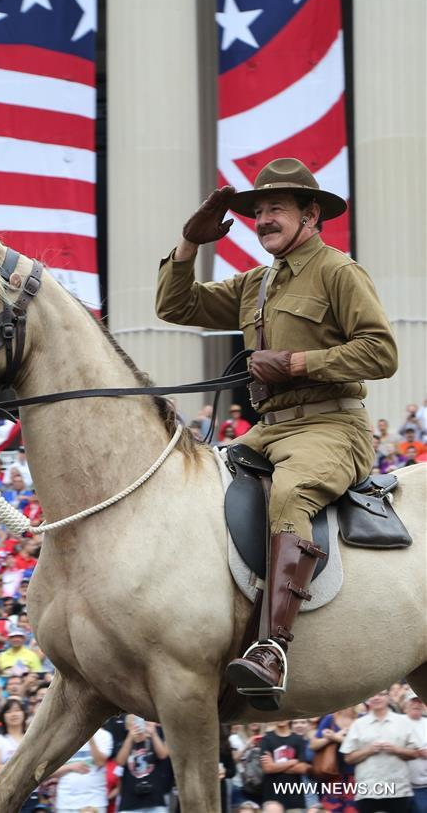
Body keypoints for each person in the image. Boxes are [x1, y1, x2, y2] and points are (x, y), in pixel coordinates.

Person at [156, 158, 398, 700]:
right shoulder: (256, 284)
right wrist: (189, 245)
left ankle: (273, 649)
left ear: (310, 214)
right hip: (267, 431)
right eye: (258, 211)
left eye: (276, 209)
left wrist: (293, 365)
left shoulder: (339, 271)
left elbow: (382, 353)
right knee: (198, 481)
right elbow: (176, 306)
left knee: (289, 496)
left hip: (332, 427)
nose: (263, 219)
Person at [340, 690, 420, 813]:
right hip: (367, 790)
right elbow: (348, 758)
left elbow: (415, 753)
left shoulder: (403, 722)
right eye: (372, 695)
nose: (376, 698)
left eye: (381, 694)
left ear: (388, 697)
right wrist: (368, 750)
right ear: (367, 699)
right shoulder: (359, 724)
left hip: (398, 789)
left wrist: (396, 749)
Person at [115, 715, 172, 812]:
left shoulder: (154, 739)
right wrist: (130, 737)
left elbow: (163, 755)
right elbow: (120, 761)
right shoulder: (125, 741)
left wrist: (153, 733)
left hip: (155, 800)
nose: (139, 726)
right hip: (129, 802)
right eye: (135, 723)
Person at [54, 726, 113, 813]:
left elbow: (100, 762)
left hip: (94, 802)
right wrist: (70, 767)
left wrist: (90, 737)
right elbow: (50, 772)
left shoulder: (104, 735)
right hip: (66, 802)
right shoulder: (62, 737)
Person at [259, 719, 309, 811]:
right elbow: (268, 768)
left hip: (294, 798)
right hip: (272, 798)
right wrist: (293, 762)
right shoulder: (266, 739)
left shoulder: (298, 739)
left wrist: (275, 765)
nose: (281, 718)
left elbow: (302, 768)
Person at [403, 693, 427, 813]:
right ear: (405, 705)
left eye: (419, 701)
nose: (416, 704)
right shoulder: (397, 722)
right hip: (400, 786)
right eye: (413, 701)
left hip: (423, 786)